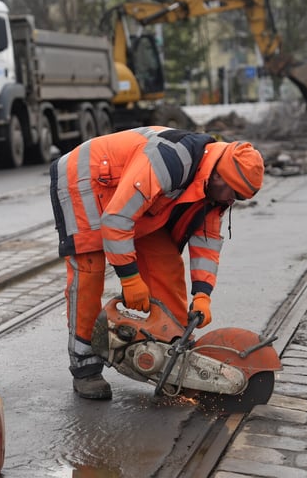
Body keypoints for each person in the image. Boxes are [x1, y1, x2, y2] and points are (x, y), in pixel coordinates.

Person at [49, 126, 264, 400]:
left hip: (131, 198)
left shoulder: (212, 189)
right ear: (219, 176)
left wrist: (202, 295)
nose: (233, 201)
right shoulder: (169, 160)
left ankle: (173, 354)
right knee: (89, 273)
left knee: (165, 263)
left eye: (241, 198)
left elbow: (207, 242)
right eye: (234, 194)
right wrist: (130, 279)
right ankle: (85, 367)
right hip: (86, 181)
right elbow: (116, 220)